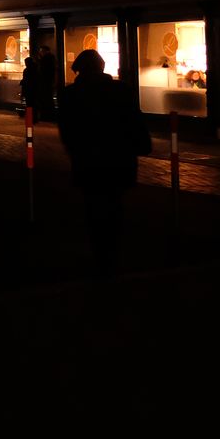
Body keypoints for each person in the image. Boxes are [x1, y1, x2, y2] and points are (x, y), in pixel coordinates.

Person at [58, 48, 150, 277]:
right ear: (102, 67)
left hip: (88, 160)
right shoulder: (120, 90)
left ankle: (100, 253)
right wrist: (140, 144)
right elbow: (134, 121)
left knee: (93, 205)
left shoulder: (71, 94)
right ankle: (112, 252)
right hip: (118, 158)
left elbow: (67, 130)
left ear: (79, 70)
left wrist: (75, 150)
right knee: (114, 203)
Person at [37, 45, 58, 122]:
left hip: (46, 82)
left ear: (45, 51)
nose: (40, 52)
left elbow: (44, 71)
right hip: (47, 82)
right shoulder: (50, 58)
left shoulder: (47, 59)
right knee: (48, 99)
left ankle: (46, 116)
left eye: (41, 51)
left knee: (46, 99)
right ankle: (48, 115)